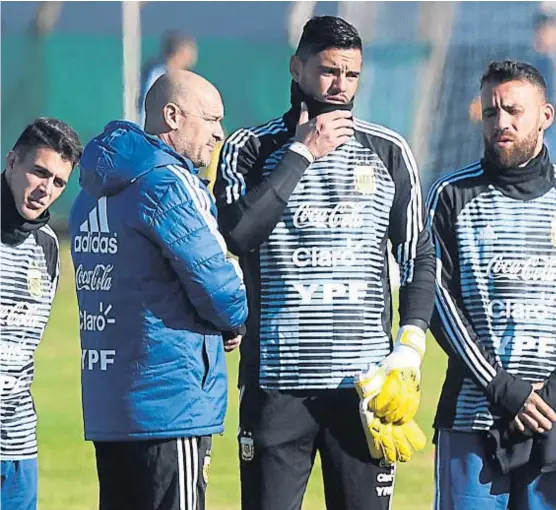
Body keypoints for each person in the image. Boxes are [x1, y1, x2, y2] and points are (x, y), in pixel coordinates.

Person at [214, 15, 435, 510]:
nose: (340, 87)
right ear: (297, 68)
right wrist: (301, 154)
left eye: (352, 75)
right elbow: (237, 234)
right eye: (329, 71)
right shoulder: (250, 149)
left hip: (364, 392)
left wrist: (411, 348)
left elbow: (419, 254)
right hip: (276, 387)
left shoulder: (389, 152)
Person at [70, 70, 248, 510]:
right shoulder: (169, 183)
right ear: (173, 115)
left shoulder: (90, 194)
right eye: (211, 119)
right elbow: (220, 286)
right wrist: (237, 317)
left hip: (111, 406)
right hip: (170, 404)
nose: (219, 132)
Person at [427, 60, 556, 509]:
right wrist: (503, 387)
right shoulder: (450, 195)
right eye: (490, 112)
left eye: (513, 111)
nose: (501, 122)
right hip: (473, 416)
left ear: (545, 115)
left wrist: (548, 392)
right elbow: (436, 301)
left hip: (553, 416)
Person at [0, 118, 82, 510]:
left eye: (59, 182)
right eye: (39, 172)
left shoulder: (48, 246)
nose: (46, 190)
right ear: (12, 161)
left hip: (17, 444)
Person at [138, 32, 198, 127]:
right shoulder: (157, 74)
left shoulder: (185, 78)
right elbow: (145, 106)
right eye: (191, 52)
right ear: (182, 52)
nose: (193, 58)